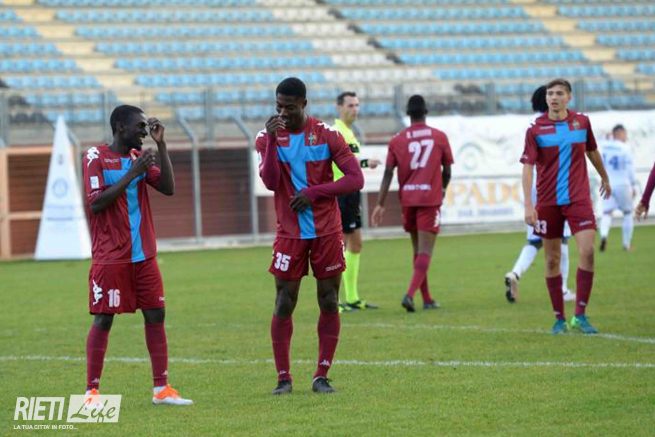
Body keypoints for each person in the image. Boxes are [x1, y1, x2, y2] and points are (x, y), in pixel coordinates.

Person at [256, 77, 364, 395]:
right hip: (289, 233)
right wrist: (273, 140)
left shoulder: (327, 135)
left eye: (289, 107)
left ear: (304, 104)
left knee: (328, 299)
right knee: (283, 301)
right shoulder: (266, 137)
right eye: (279, 107)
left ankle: (321, 375)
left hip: (326, 230)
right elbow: (271, 182)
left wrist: (314, 193)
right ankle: (283, 378)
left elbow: (355, 178)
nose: (283, 113)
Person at [83, 105, 192, 405]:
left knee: (156, 314)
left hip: (144, 255)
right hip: (110, 257)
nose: (145, 132)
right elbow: (96, 203)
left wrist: (162, 145)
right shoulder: (95, 157)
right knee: (104, 319)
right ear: (120, 127)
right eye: (140, 127)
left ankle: (161, 390)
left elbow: (168, 188)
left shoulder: (138, 157)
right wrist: (133, 173)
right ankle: (91, 393)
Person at [520, 78, 611, 335]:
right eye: (550, 93)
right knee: (552, 259)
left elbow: (592, 151)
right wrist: (528, 204)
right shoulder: (535, 130)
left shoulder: (582, 122)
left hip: (579, 199)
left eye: (559, 93)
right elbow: (527, 168)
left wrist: (604, 177)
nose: (554, 97)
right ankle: (559, 318)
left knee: (587, 251)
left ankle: (580, 315)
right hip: (548, 201)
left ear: (569, 97)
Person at [371, 95, 453, 312]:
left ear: (408, 114)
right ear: (425, 112)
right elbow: (447, 171)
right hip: (429, 199)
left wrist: (380, 203)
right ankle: (409, 295)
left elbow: (388, 173)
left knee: (417, 250)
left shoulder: (397, 140)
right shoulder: (439, 137)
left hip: (408, 200)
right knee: (425, 250)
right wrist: (443, 189)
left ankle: (426, 298)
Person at [505, 85, 575, 304]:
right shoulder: (553, 123)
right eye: (552, 95)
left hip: (533, 187)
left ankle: (514, 273)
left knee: (535, 240)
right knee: (562, 238)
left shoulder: (529, 125)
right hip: (554, 187)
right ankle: (562, 289)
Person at [333, 91, 382, 312]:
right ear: (339, 107)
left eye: (357, 105)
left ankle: (352, 298)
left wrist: (363, 162)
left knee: (356, 244)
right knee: (338, 247)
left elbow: (350, 160)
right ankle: (333, 300)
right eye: (350, 105)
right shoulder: (336, 132)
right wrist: (364, 162)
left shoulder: (349, 132)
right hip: (340, 194)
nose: (355, 109)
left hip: (352, 194)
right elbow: (342, 161)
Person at [598, 124, 637, 251]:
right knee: (628, 213)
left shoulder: (604, 146)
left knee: (606, 213)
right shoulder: (625, 148)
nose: (626, 136)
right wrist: (633, 185)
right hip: (622, 184)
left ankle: (604, 236)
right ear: (618, 134)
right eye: (624, 133)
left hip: (607, 183)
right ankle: (626, 244)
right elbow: (630, 169)